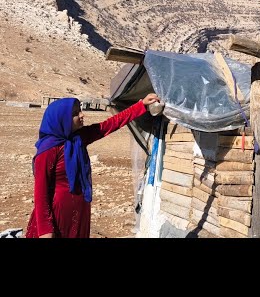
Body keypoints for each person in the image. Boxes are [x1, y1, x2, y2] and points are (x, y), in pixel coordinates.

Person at [25, 93, 160, 238]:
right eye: (76, 113)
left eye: (80, 110)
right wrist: (45, 230)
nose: (82, 115)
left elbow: (110, 124)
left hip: (80, 209)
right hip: (58, 215)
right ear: (62, 119)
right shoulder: (48, 151)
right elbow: (41, 192)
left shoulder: (79, 138)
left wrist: (141, 106)